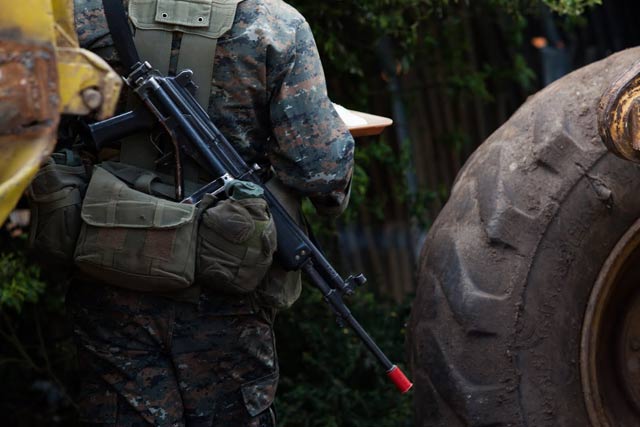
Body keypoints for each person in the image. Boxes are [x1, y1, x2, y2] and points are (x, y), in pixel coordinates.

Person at [66, 0, 355, 425]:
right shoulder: (275, 25)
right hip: (223, 288)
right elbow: (321, 170)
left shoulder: (83, 13)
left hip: (109, 270)